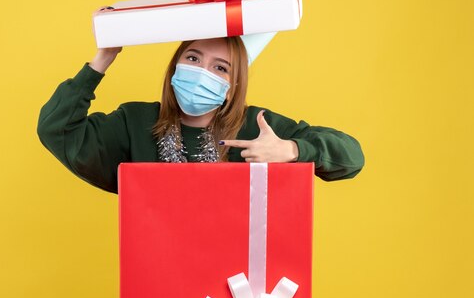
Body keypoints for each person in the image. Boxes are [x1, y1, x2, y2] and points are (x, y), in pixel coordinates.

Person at [37, 32, 364, 194]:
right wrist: (102, 59)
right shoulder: (134, 123)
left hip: (240, 295)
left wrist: (292, 150)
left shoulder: (258, 127)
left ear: (233, 83)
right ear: (175, 65)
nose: (202, 72)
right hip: (158, 286)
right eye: (193, 59)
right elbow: (57, 129)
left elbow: (352, 159)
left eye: (219, 67)